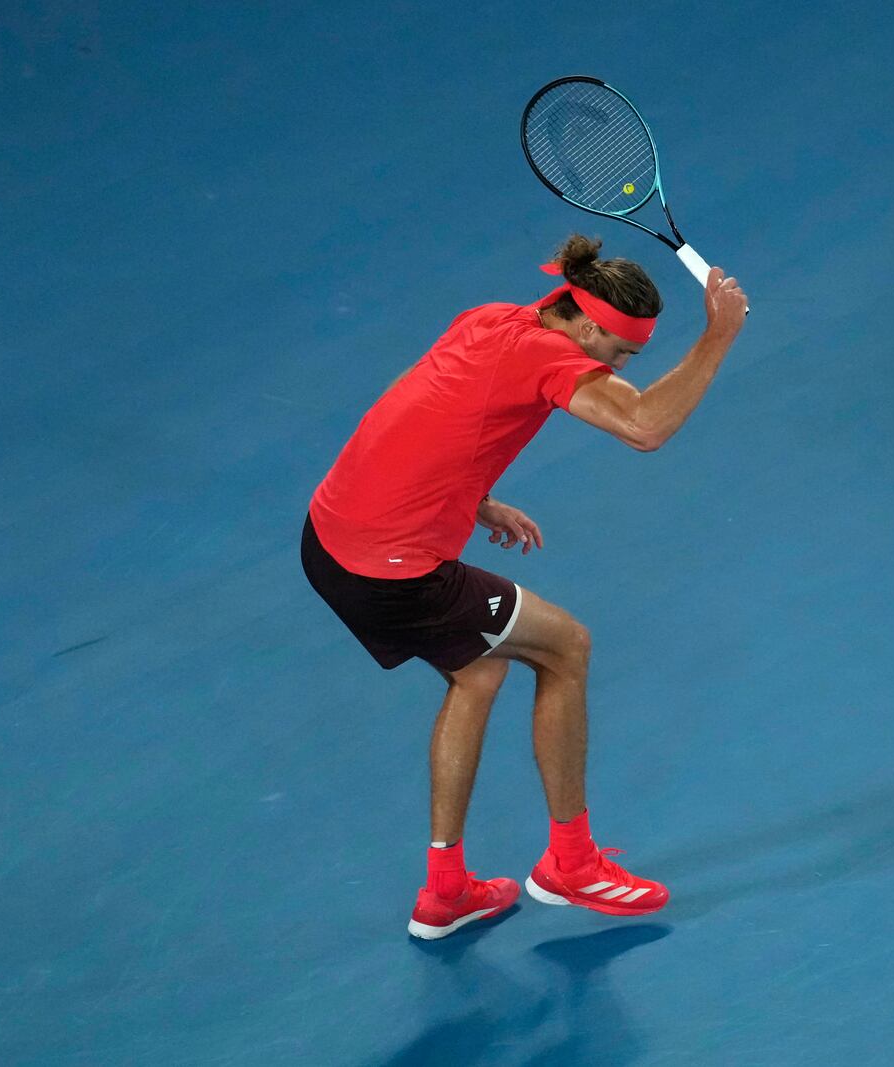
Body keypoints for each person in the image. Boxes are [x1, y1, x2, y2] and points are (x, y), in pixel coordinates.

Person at [302, 234, 747, 939]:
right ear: (591, 326)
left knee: (477, 675)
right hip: (393, 571)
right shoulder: (549, 358)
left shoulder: (491, 319)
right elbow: (645, 425)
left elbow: (414, 410)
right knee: (566, 646)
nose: (622, 366)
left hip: (328, 538)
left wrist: (471, 499)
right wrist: (718, 336)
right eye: (623, 354)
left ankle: (445, 891)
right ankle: (570, 865)